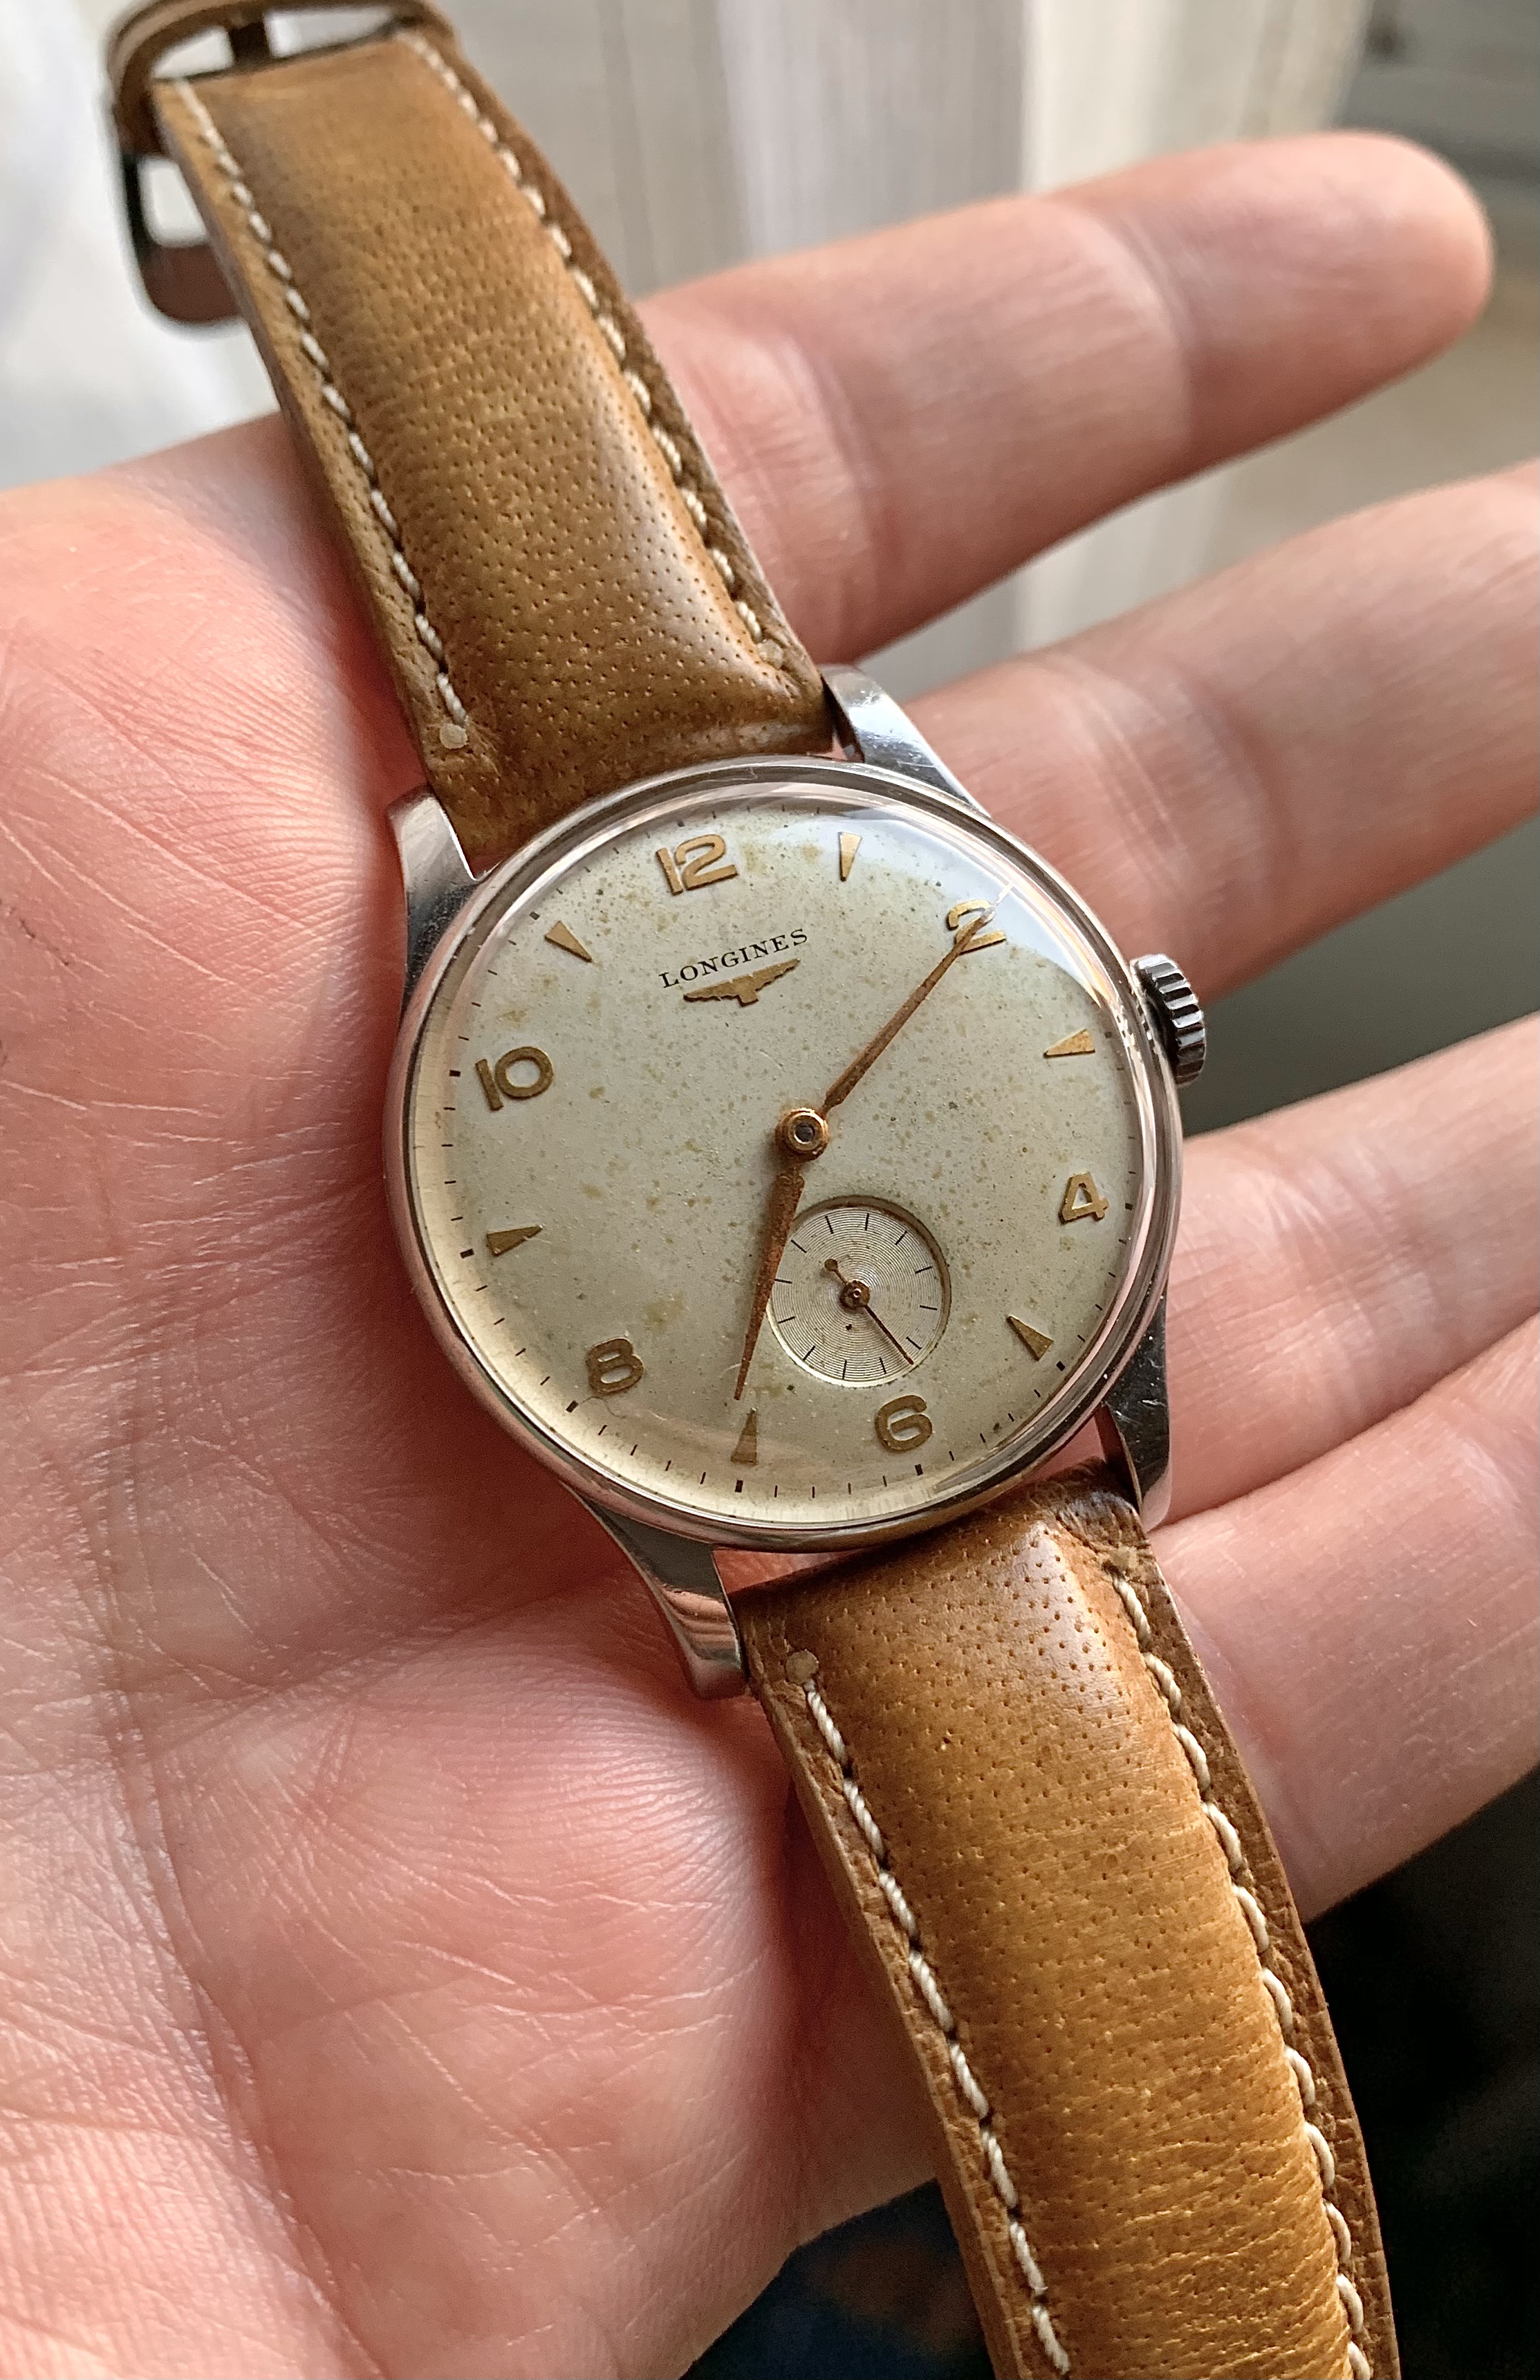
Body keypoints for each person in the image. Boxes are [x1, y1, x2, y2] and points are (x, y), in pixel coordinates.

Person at [0, 127, 1533, 2379]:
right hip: (759, 1478)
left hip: (981, 1408)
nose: (798, 1135)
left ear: (1142, 1027)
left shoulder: (873, 812)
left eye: (804, 1121)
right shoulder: (492, 929)